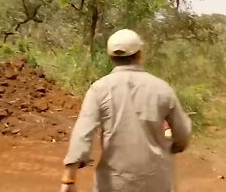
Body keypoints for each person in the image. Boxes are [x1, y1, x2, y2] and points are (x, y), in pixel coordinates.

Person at [60, 29, 192, 192]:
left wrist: (69, 179)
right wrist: (175, 146)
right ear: (139, 55)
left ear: (111, 58)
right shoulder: (161, 88)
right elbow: (182, 134)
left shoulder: (99, 89)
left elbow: (83, 133)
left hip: (114, 183)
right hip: (157, 182)